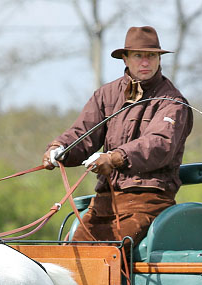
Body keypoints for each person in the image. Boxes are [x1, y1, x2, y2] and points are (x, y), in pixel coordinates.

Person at [42, 25, 193, 246]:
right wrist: (59, 149)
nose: (145, 62)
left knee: (107, 254)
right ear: (125, 59)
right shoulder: (106, 94)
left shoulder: (172, 102)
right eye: (138, 55)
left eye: (151, 56)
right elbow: (83, 133)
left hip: (150, 202)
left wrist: (115, 157)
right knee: (70, 251)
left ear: (159, 59)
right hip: (105, 200)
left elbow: (160, 144)